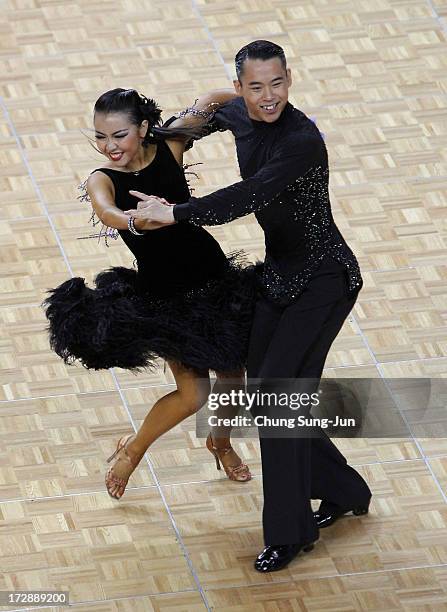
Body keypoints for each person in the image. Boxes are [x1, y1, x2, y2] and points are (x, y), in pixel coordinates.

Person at [124, 40, 372, 572]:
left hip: (326, 279)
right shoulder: (239, 111)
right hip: (280, 276)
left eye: (276, 84)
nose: (267, 97)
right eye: (255, 86)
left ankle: (290, 532)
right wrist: (153, 138)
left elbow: (248, 194)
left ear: (290, 79)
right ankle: (344, 489)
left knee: (275, 399)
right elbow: (200, 122)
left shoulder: (301, 139)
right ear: (241, 87)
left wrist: (176, 213)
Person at [42, 87, 259, 499]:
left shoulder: (171, 144)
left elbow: (210, 100)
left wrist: (256, 98)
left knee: (233, 379)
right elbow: (108, 212)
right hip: (168, 298)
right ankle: (133, 451)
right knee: (193, 394)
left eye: (119, 135)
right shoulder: (102, 178)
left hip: (215, 281)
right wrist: (138, 221)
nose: (109, 147)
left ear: (142, 128)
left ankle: (221, 442)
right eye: (101, 137)